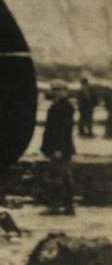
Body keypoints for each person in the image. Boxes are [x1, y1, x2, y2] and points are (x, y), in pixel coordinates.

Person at [41, 80, 77, 215]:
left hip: (60, 147)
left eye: (58, 89)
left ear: (65, 91)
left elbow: (63, 129)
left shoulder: (65, 106)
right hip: (61, 147)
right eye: (54, 90)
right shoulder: (59, 105)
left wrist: (58, 148)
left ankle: (55, 206)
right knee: (66, 176)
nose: (55, 92)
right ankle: (69, 206)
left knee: (57, 176)